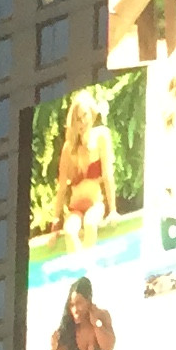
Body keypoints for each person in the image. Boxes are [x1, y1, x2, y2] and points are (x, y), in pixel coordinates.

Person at [54, 89, 117, 248]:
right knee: (69, 231)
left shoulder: (102, 136)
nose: (82, 122)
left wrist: (113, 210)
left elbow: (108, 175)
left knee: (90, 223)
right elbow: (61, 187)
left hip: (95, 204)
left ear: (92, 113)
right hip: (75, 209)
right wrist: (55, 220)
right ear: (72, 122)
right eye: (77, 119)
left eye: (84, 116)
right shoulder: (68, 148)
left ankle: (87, 267)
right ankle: (80, 269)